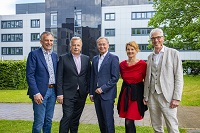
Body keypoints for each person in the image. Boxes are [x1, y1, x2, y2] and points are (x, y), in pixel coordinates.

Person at [143, 28, 184, 133]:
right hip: (152, 95)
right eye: (153, 38)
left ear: (163, 38)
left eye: (158, 37)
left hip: (168, 96)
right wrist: (146, 96)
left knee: (172, 126)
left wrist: (176, 97)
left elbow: (179, 77)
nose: (156, 40)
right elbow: (148, 78)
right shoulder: (150, 56)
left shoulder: (173, 53)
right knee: (156, 126)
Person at [56, 37, 91, 133]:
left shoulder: (86, 59)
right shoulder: (63, 58)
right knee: (67, 116)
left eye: (78, 45)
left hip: (81, 94)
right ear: (70, 46)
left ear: (81, 46)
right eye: (74, 45)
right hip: (67, 94)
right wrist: (59, 94)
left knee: (75, 119)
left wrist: (88, 90)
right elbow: (59, 77)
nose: (76, 47)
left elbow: (88, 76)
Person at [26, 31, 57, 133]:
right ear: (41, 41)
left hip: (53, 92)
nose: (49, 42)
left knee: (48, 120)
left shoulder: (54, 56)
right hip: (40, 93)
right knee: (39, 121)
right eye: (46, 40)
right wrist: (36, 93)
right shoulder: (34, 54)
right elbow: (30, 75)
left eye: (51, 40)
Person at [90, 37, 120, 133]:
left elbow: (115, 78)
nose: (102, 46)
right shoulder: (94, 59)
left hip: (107, 95)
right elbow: (93, 77)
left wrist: (102, 88)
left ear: (108, 45)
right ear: (97, 46)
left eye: (104, 44)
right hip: (96, 95)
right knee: (100, 120)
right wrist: (91, 93)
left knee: (108, 121)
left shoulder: (113, 58)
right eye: (100, 44)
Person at [117, 41, 147, 133]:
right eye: (128, 49)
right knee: (128, 120)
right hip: (125, 94)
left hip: (137, 95)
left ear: (136, 50)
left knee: (129, 120)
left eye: (132, 49)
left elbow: (147, 81)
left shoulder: (143, 64)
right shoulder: (122, 65)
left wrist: (146, 96)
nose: (130, 51)